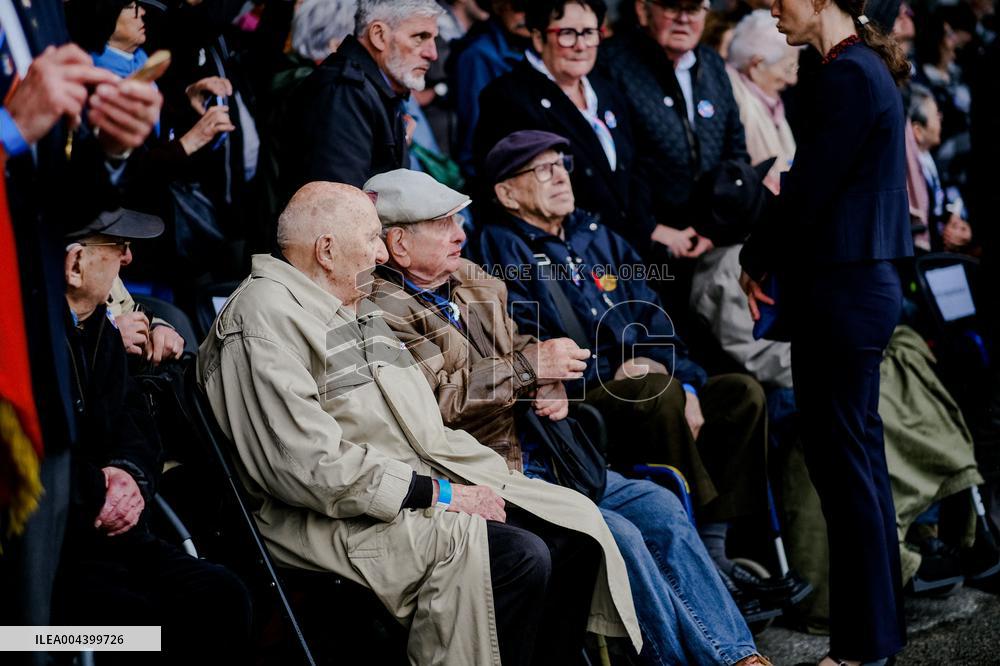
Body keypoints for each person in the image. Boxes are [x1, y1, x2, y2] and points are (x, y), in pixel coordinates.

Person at [198, 181, 642, 665]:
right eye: (371, 238)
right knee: (519, 557)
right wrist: (443, 495)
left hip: (411, 487)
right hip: (335, 518)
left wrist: (482, 479)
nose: (381, 251)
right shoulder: (263, 319)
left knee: (576, 532)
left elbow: (422, 426)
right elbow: (307, 467)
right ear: (326, 250)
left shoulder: (353, 305)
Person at [366, 167, 771, 666]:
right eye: (444, 224)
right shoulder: (380, 311)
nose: (461, 233)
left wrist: (546, 375)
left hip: (547, 452)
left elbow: (519, 346)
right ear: (400, 245)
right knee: (616, 534)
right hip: (486, 473)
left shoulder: (470, 280)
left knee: (658, 506)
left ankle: (736, 657)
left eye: (459, 220)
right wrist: (524, 369)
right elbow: (431, 404)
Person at [473, 130, 811, 620]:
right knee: (655, 391)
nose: (560, 175)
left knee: (740, 395)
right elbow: (530, 339)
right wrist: (638, 371)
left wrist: (682, 377)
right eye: (542, 170)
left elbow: (655, 315)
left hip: (650, 380)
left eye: (561, 164)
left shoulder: (595, 233)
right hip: (579, 397)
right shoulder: (501, 251)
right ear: (507, 193)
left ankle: (715, 551)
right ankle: (697, 558)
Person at [737, 0, 914, 660]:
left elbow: (807, 194)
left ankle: (861, 647)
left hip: (844, 291)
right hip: (855, 286)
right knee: (856, 469)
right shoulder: (850, 68)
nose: (773, 9)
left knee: (847, 474)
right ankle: (874, 640)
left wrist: (754, 257)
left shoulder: (847, 75)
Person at [0, 0, 161, 647]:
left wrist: (113, 149)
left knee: (26, 626)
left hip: (29, 369)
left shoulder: (39, 13)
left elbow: (57, 205)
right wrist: (8, 130)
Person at [54, 208, 253, 664]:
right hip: (52, 557)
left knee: (221, 593)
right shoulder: (33, 343)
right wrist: (100, 492)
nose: (128, 257)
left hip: (117, 539)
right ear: (74, 264)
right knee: (144, 631)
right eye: (117, 246)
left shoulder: (97, 328)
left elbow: (136, 428)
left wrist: (129, 476)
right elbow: (41, 458)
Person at [474, 0, 641, 240]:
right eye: (567, 34)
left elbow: (632, 168)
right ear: (538, 38)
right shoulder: (506, 98)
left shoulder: (607, 90)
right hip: (562, 254)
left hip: (620, 247)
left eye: (589, 33)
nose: (581, 45)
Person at [598, 0, 749, 260]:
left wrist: (715, 226)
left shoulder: (711, 62)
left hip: (708, 237)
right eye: (673, 7)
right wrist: (649, 228)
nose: (683, 19)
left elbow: (735, 150)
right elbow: (613, 164)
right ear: (643, 10)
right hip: (641, 246)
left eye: (693, 10)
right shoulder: (611, 63)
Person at [280, 0, 442, 197]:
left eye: (434, 39)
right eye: (420, 37)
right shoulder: (344, 91)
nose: (432, 54)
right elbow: (340, 205)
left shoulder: (369, 87)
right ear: (379, 35)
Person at [449, 0, 529, 176]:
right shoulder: (478, 55)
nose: (527, 16)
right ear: (499, 7)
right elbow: (473, 130)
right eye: (520, 8)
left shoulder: (531, 47)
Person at [725, 10, 800, 193]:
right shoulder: (735, 102)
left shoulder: (769, 102)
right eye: (788, 68)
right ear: (757, 64)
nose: (792, 80)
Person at [907, 84, 974, 253]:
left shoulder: (929, 159)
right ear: (918, 131)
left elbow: (938, 202)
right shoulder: (909, 172)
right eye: (935, 115)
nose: (940, 118)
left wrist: (954, 220)